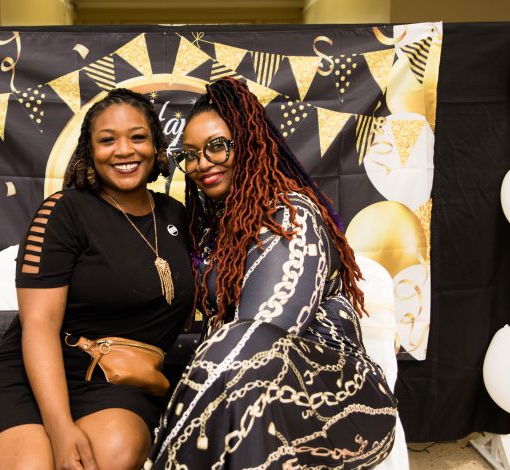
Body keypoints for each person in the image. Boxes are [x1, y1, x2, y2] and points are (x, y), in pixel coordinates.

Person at [147, 78, 397, 469]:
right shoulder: (212, 231)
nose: (201, 163)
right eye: (190, 154)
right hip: (249, 398)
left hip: (345, 401)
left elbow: (258, 344)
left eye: (217, 145)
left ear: (248, 143)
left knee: (242, 352)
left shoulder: (291, 216)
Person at [0, 88, 194, 470]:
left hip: (118, 383)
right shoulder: (64, 211)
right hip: (31, 376)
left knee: (112, 454)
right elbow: (40, 324)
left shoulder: (178, 217)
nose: (124, 150)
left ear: (156, 146)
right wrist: (60, 428)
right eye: (107, 140)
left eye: (137, 137)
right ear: (90, 151)